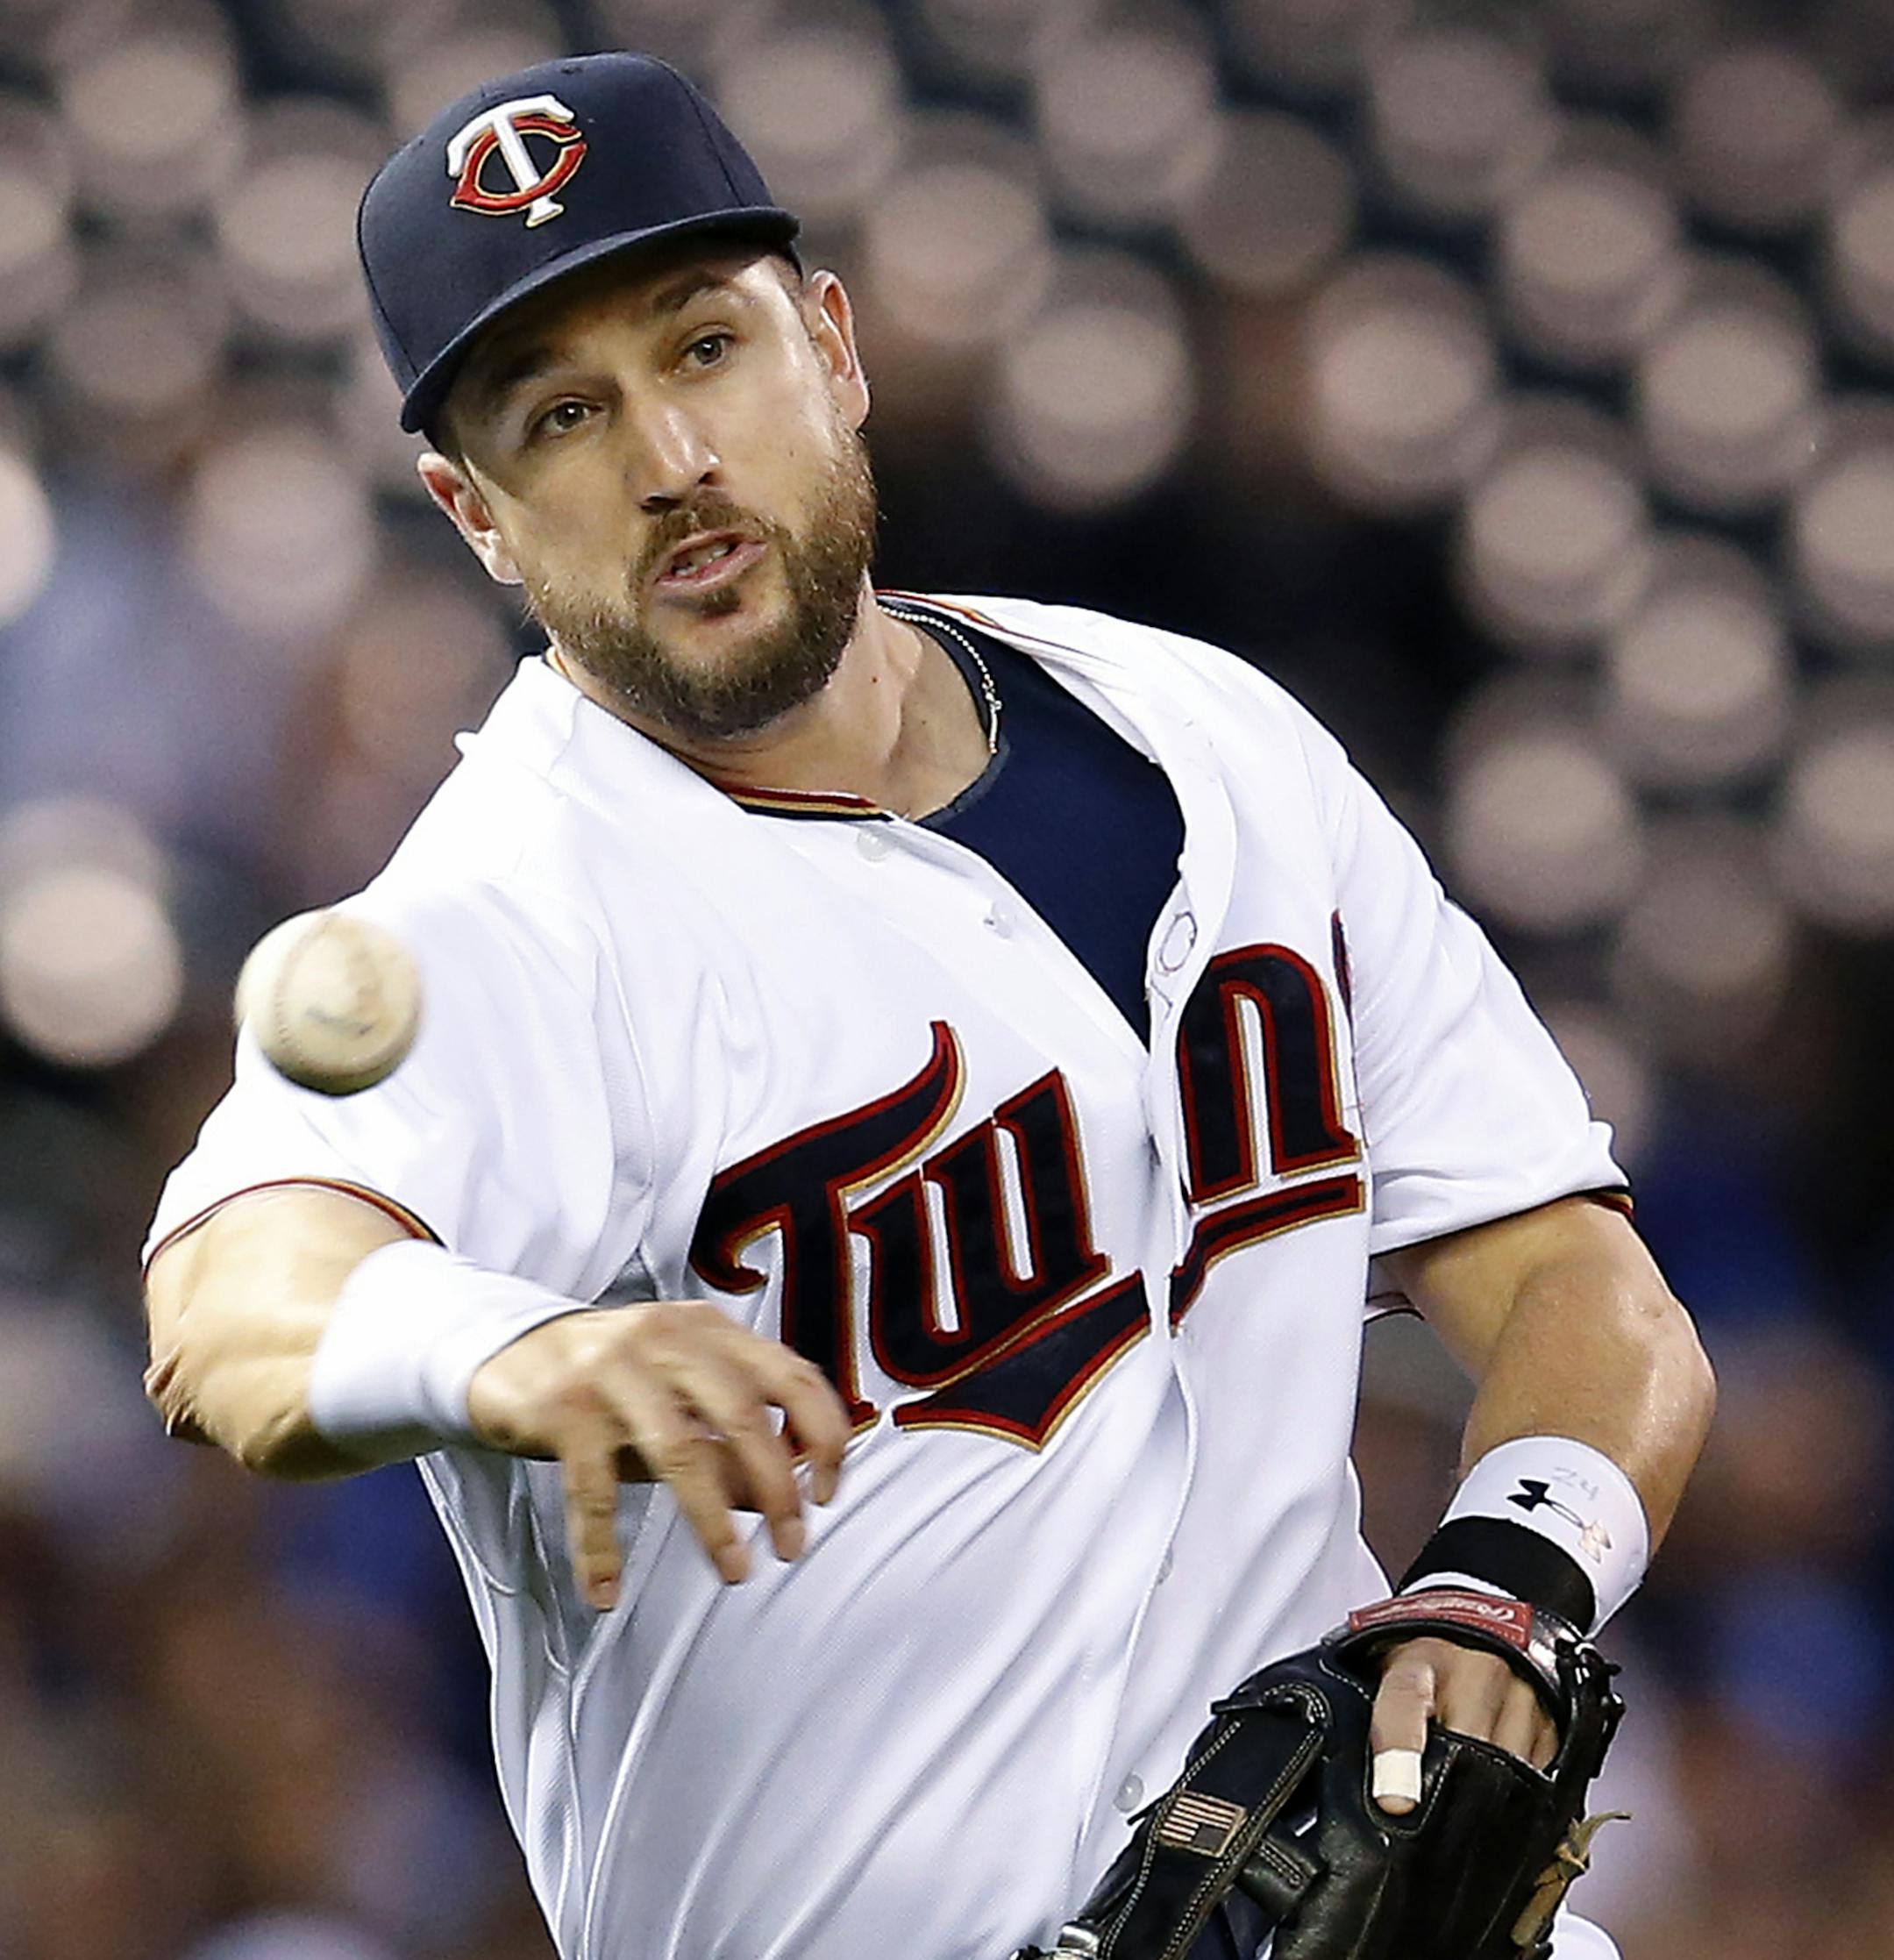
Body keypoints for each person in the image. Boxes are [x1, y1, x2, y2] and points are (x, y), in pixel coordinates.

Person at [141, 52, 1715, 1960]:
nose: (667, 458)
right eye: (563, 413)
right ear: (472, 512)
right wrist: (502, 1354)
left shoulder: (1208, 735)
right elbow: (231, 1296)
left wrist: (1509, 1578)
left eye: (704, 348)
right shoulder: (518, 914)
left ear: (831, 342)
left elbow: (1575, 1279)